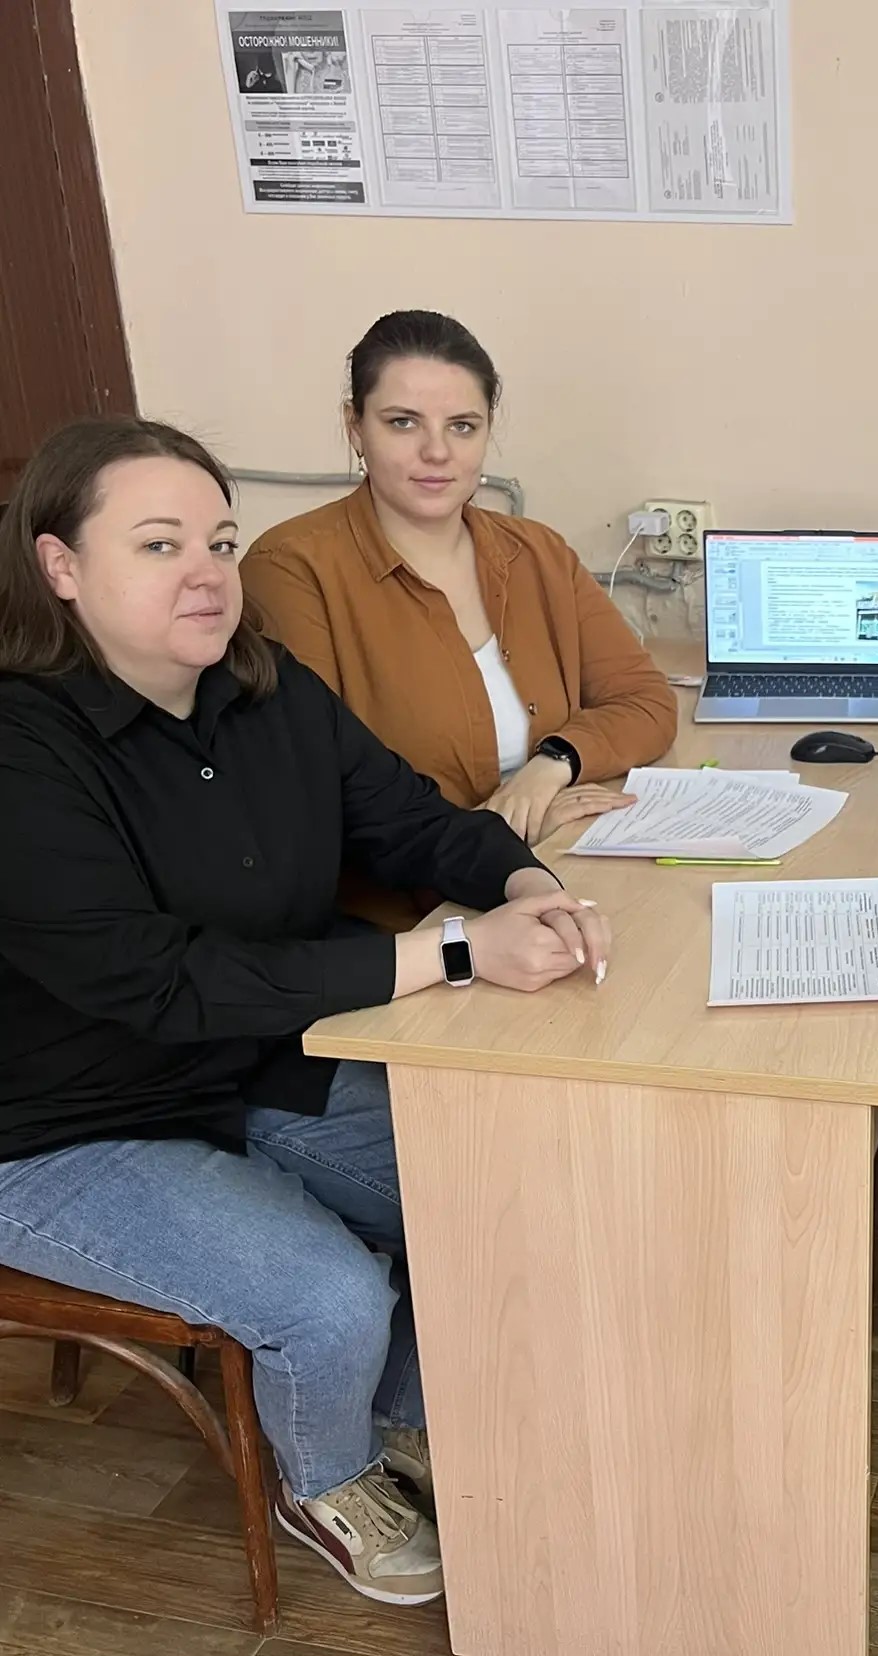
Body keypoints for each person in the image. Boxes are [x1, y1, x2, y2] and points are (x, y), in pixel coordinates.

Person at [0, 418, 615, 1607]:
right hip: (63, 1125)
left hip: (256, 1060)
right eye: (160, 544)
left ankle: (411, 1413)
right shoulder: (23, 749)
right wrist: (450, 951)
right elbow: (165, 982)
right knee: (331, 1298)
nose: (206, 573)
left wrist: (523, 881)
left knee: (500, 1191)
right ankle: (329, 1474)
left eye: (221, 542)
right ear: (60, 567)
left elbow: (410, 817)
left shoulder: (263, 688)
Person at [243, 309, 677, 929]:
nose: (437, 452)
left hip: (551, 867)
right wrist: (500, 835)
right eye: (402, 422)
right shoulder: (290, 569)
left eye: (463, 426)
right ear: (355, 427)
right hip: (406, 925)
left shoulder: (536, 552)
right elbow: (317, 801)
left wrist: (550, 768)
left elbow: (646, 701)